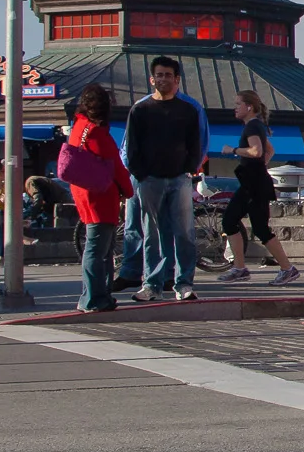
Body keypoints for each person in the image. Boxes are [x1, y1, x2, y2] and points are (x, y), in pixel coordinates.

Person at [121, 57, 205, 302]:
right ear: (152, 79)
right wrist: (140, 173)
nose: (163, 79)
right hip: (149, 180)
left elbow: (195, 144)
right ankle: (151, 285)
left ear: (177, 79)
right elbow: (131, 145)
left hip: (179, 178)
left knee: (185, 234)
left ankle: (184, 283)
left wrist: (190, 169)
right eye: (159, 75)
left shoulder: (188, 110)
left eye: (168, 75)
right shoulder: (140, 110)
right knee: (152, 235)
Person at [214, 89, 299, 286]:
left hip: (254, 184)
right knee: (237, 222)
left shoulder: (252, 127)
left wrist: (232, 150)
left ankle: (285, 269)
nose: (235, 108)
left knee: (243, 224)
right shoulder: (256, 126)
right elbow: (269, 150)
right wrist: (260, 165)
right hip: (253, 181)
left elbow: (256, 150)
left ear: (249, 107)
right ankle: (241, 268)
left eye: (238, 104)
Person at [62, 83, 131, 313]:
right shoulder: (98, 134)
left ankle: (98, 296)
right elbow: (117, 167)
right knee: (98, 249)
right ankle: (92, 298)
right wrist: (128, 191)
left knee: (98, 247)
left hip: (83, 193)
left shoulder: (78, 127)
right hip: (102, 197)